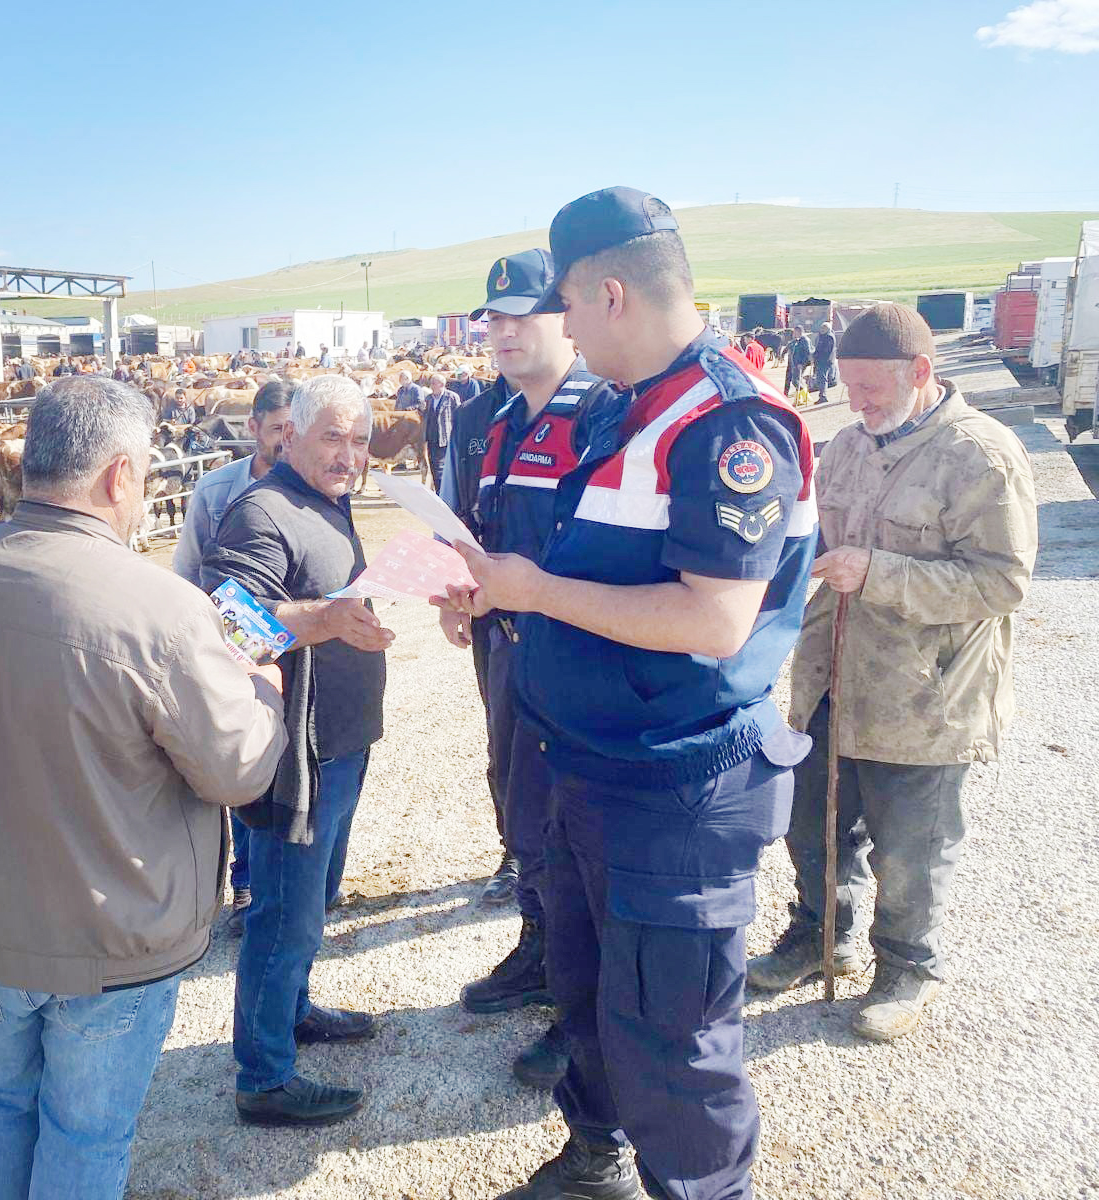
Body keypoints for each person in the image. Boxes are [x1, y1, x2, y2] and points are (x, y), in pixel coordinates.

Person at [449, 188, 817, 1200]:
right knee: (590, 992)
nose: (560, 325)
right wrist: (502, 600)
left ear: (608, 293)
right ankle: (594, 1155)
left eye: (564, 302)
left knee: (675, 1042)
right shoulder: (627, 407)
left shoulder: (728, 424)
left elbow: (713, 621)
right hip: (590, 765)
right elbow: (602, 577)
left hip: (675, 791)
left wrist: (534, 588)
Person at [0, 376, 287, 1199]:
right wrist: (265, 696)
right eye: (144, 474)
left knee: (1, 1099)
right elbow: (237, 771)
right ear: (118, 476)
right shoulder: (159, 606)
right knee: (86, 1133)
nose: (144, 492)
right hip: (113, 932)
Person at [748, 304, 1038, 1043]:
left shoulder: (983, 455)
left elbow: (1002, 583)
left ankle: (908, 968)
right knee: (813, 827)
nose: (861, 402)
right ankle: (822, 939)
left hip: (925, 699)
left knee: (911, 849)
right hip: (831, 683)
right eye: (849, 387)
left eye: (873, 386)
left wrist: (879, 572)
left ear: (920, 372)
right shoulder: (845, 447)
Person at [437, 249, 607, 1093]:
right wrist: (456, 589)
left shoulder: (603, 413)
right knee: (519, 807)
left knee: (574, 830)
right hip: (508, 653)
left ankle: (582, 1016)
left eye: (519, 315)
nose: (502, 331)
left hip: (576, 659)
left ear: (565, 316)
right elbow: (485, 534)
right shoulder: (497, 423)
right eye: (492, 319)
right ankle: (540, 952)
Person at [202, 374, 392, 1127]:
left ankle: (294, 1012)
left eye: (361, 441)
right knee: (283, 914)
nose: (349, 455)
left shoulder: (326, 499)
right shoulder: (263, 510)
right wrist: (325, 618)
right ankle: (264, 1076)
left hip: (341, 745)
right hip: (297, 759)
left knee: (311, 905)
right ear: (290, 436)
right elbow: (229, 621)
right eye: (333, 438)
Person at [174, 379, 295, 934]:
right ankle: (246, 883)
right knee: (244, 761)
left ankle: (292, 884)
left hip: (298, 653)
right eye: (277, 431)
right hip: (231, 656)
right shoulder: (217, 491)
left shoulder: (316, 487)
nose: (286, 443)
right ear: (255, 429)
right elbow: (188, 569)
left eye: (295, 432)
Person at [423, 373, 457, 494]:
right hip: (431, 438)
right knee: (434, 468)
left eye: (433, 383)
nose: (431, 386)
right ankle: (439, 493)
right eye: (431, 383)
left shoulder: (452, 397)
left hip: (446, 438)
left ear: (441, 385)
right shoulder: (428, 399)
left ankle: (444, 494)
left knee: (443, 469)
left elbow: (458, 416)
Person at [811, 320, 837, 403]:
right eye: (821, 327)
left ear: (828, 329)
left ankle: (823, 396)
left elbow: (827, 351)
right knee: (820, 378)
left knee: (822, 379)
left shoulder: (829, 337)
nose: (821, 329)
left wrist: (816, 356)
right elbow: (818, 348)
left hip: (825, 361)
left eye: (824, 328)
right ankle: (822, 395)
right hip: (820, 361)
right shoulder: (822, 336)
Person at [785, 324, 812, 395]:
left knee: (795, 380)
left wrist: (802, 363)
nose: (793, 334)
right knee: (796, 379)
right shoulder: (797, 340)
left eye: (795, 332)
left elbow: (807, 353)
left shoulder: (805, 340)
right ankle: (800, 394)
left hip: (800, 364)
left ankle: (803, 392)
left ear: (799, 332)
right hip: (795, 363)